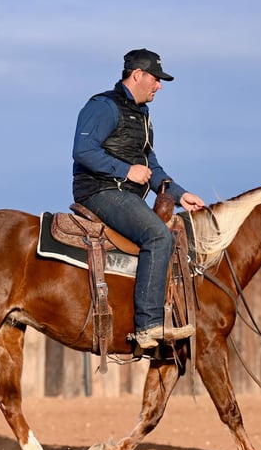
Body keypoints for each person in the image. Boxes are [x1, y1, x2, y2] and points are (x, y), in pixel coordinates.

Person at [71, 48, 205, 349]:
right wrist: (126, 171)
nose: (159, 86)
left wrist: (181, 195)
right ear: (137, 75)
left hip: (125, 193)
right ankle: (148, 326)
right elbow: (83, 151)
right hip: (100, 191)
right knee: (158, 237)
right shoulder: (103, 106)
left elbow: (151, 167)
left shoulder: (142, 116)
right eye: (156, 79)